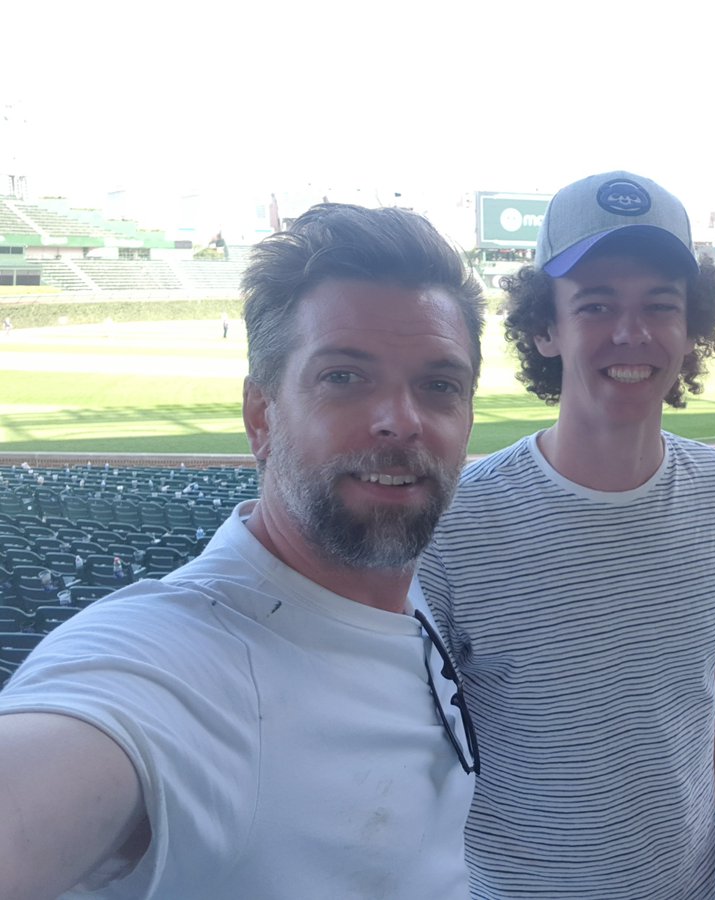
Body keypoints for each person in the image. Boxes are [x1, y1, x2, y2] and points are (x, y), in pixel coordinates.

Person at [0, 203, 485, 899]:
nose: (400, 421)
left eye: (439, 386)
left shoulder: (392, 585)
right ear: (262, 416)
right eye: (344, 377)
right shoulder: (176, 664)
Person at [419, 171, 715, 900]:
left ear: (692, 327)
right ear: (546, 328)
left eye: (659, 305)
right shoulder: (455, 520)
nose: (631, 332)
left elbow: (712, 687)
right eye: (596, 304)